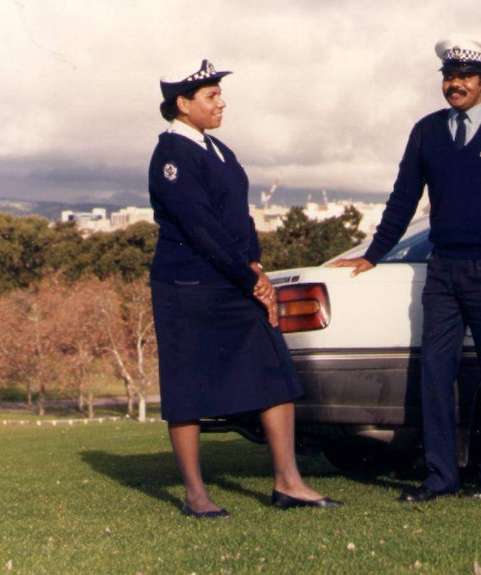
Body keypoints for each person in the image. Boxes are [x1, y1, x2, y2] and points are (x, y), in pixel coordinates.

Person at [329, 38, 481, 502]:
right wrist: (373, 253)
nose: (456, 84)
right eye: (449, 77)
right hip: (442, 268)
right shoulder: (426, 131)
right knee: (435, 371)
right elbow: (403, 199)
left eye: (466, 77)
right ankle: (441, 478)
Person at [149, 59, 342, 516]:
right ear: (183, 103)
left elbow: (239, 216)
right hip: (189, 285)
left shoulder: (217, 150)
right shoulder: (172, 155)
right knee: (187, 387)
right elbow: (200, 228)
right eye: (211, 95)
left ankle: (288, 482)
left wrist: (254, 262)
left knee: (273, 370)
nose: (221, 102)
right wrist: (251, 277)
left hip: (234, 277)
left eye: (219, 93)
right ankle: (196, 494)